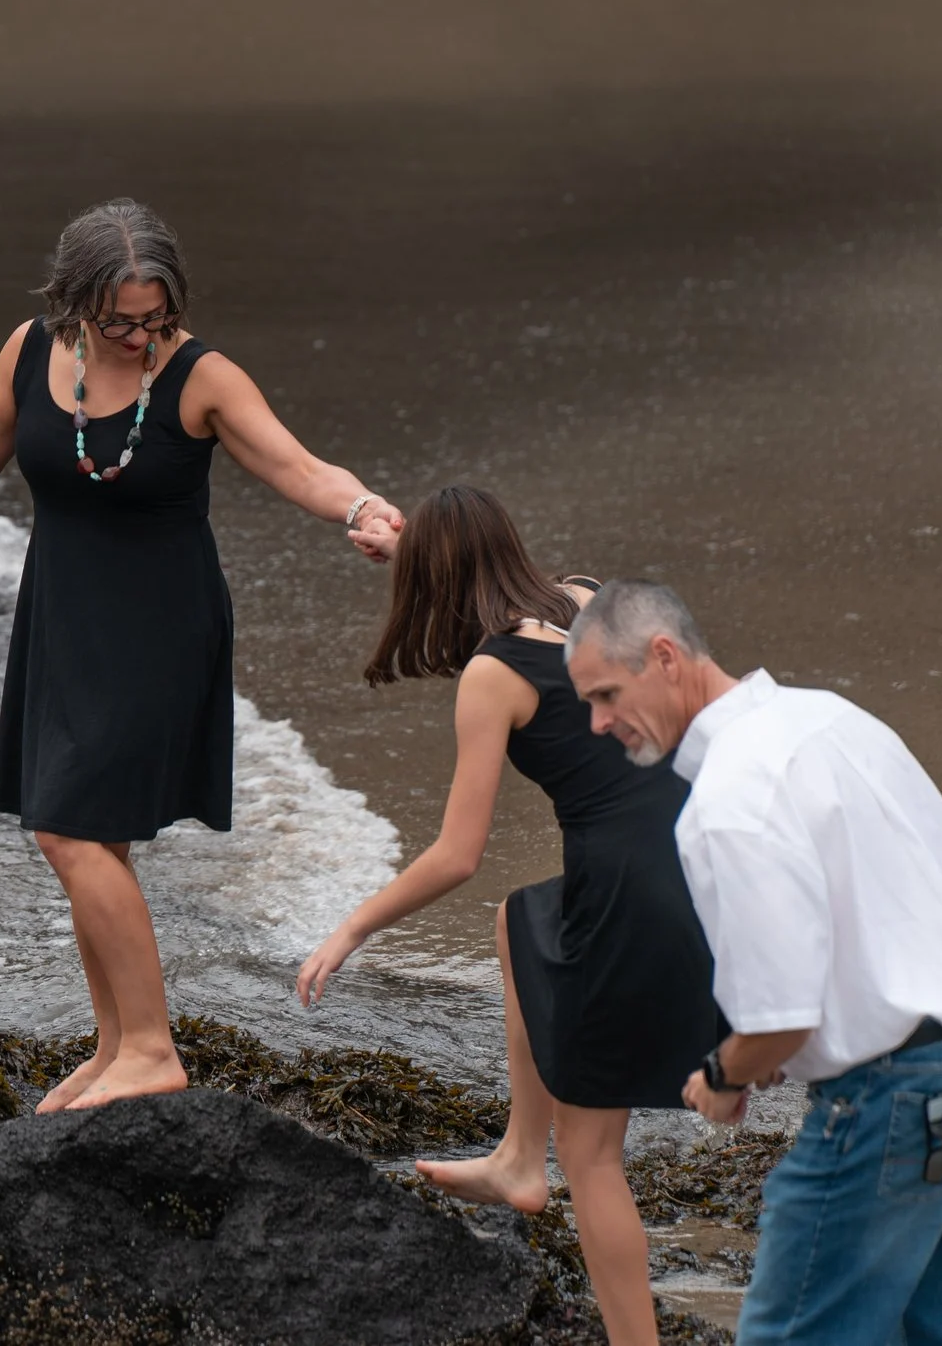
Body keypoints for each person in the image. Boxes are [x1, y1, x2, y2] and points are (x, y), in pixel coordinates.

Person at [0, 199, 397, 1110]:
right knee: (94, 835)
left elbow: (298, 465)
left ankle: (149, 1045)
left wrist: (361, 509)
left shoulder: (202, 377)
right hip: (65, 618)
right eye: (121, 320)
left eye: (157, 316)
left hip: (161, 626)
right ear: (75, 303)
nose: (142, 336)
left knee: (63, 828)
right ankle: (114, 1044)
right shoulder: (29, 352)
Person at [297, 487, 722, 1346]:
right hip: (708, 860)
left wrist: (351, 927)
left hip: (627, 890)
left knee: (596, 1156)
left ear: (429, 578)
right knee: (522, 919)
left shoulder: (493, 674)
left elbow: (457, 852)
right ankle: (519, 1156)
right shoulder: (586, 598)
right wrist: (418, 533)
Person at [563, 579, 942, 1346]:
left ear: (665, 656)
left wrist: (724, 1075)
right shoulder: (828, 716)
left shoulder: (729, 798)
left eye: (607, 694)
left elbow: (781, 1016)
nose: (598, 722)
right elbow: (887, 905)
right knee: (929, 1332)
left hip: (900, 1092)